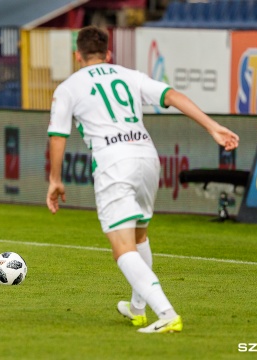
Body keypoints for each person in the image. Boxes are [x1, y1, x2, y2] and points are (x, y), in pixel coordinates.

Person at [46, 26, 239, 333]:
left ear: (77, 56)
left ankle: (167, 313)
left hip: (113, 161)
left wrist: (55, 179)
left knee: (122, 248)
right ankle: (138, 309)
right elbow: (171, 95)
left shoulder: (69, 87)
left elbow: (58, 135)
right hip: (147, 157)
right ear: (108, 54)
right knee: (139, 237)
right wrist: (212, 127)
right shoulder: (129, 75)